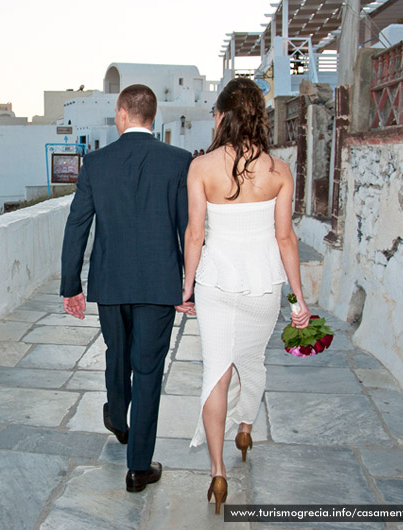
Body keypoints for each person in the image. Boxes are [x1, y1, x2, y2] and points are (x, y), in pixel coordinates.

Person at [181, 78, 311, 514]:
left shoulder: (201, 167)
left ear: (223, 116)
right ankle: (245, 428)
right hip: (262, 287)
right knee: (251, 363)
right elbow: (286, 238)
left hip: (215, 285)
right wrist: (299, 299)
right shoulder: (279, 171)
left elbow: (195, 233)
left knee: (216, 373)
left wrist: (186, 286)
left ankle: (218, 472)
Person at [60, 84, 194, 493]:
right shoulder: (178, 161)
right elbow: (189, 228)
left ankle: (117, 418)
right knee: (149, 369)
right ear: (153, 117)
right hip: (160, 283)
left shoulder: (96, 163)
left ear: (122, 114)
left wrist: (71, 285)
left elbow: (77, 224)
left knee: (117, 354)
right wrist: (190, 288)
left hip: (111, 281)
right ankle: (138, 468)